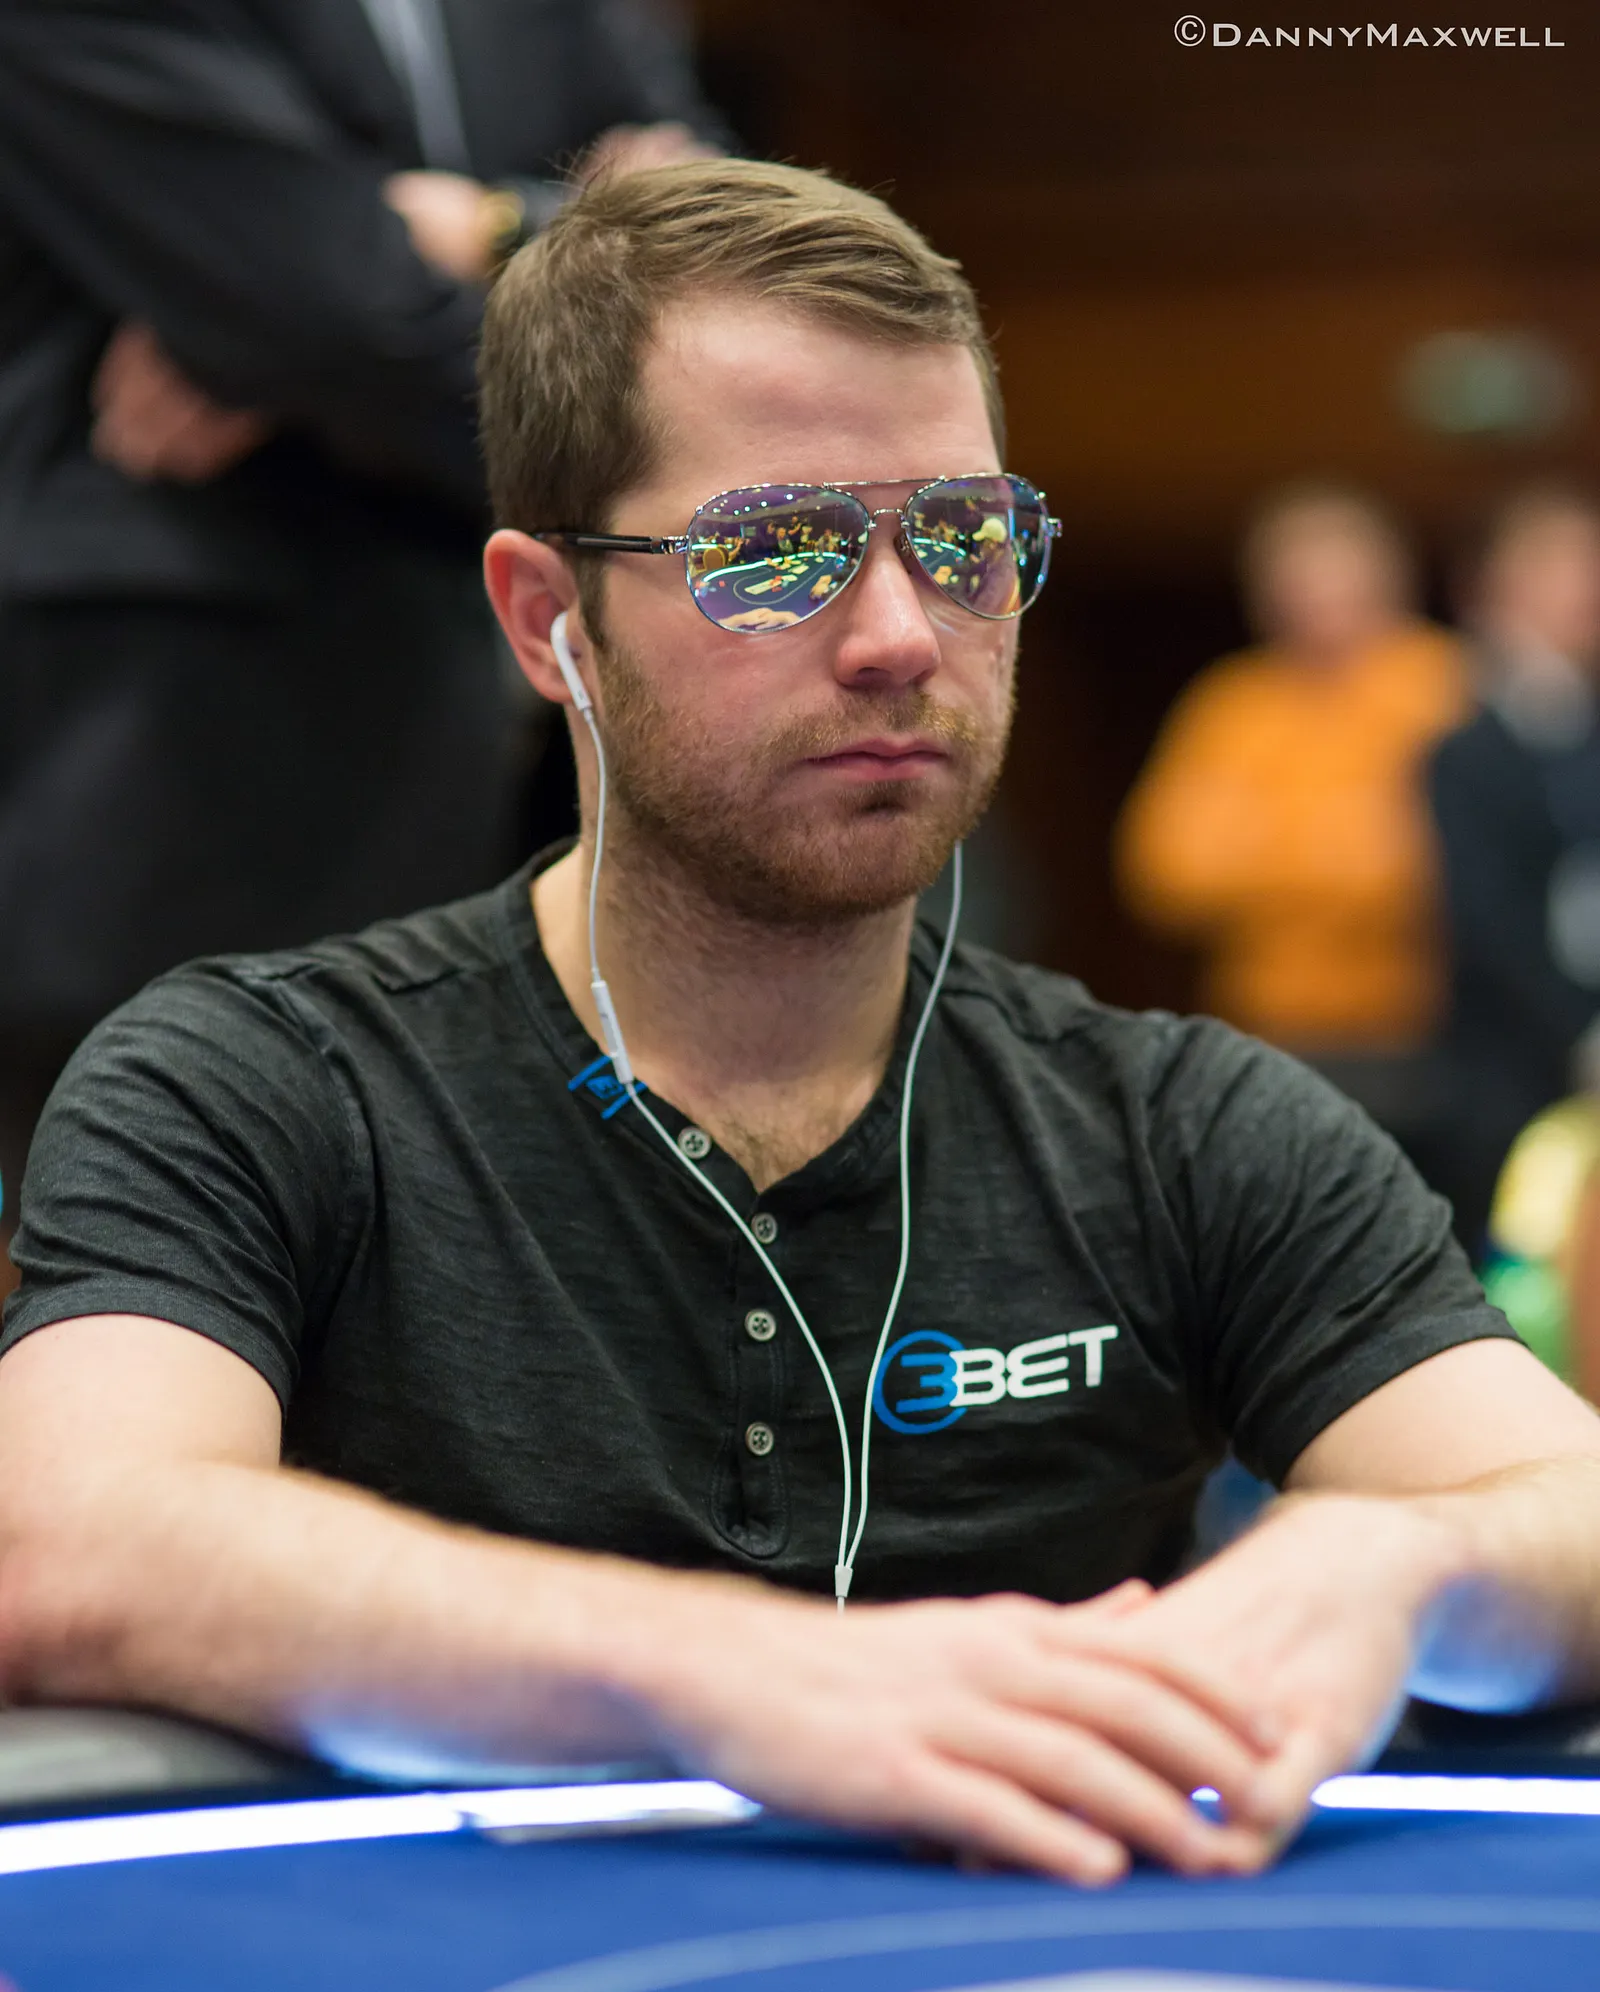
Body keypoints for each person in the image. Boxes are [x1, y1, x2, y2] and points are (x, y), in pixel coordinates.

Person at [3, 161, 1600, 1889]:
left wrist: (1396, 1567)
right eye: (777, 554)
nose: (903, 637)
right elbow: (64, 1543)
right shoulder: (257, 1087)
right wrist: (729, 1677)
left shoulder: (1182, 1125)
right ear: (549, 623)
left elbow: (1561, 1510)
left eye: (967, 542)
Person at [0, 0, 724, 1261]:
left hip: (520, 723)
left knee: (461, 1274)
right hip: (184, 739)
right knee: (161, 1261)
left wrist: (486, 226)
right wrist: (570, 273)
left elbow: (725, 240)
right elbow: (322, 306)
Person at [1115, 485, 1468, 1142]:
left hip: (1430, 1032)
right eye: (1297, 582)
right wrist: (1343, 847)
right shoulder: (1234, 706)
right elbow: (1165, 871)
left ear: (1389, 581)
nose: (1317, 602)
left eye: (1338, 578)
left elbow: (1449, 869)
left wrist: (1266, 846)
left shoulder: (1446, 689)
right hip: (1273, 1034)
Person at [1427, 490, 1600, 1256]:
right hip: (1517, 1078)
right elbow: (1488, 920)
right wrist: (1581, 1033)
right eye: (1562, 566)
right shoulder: (1467, 751)